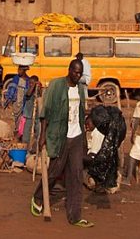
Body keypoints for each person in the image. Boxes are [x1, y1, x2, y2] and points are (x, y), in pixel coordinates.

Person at [30, 59, 92, 228]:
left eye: (80, 73)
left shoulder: (80, 88)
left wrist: (85, 131)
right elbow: (46, 111)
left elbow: (80, 111)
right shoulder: (56, 86)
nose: (78, 76)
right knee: (55, 171)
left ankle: (75, 216)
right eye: (75, 72)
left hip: (76, 136)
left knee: (77, 175)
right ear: (70, 70)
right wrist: (42, 135)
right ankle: (38, 197)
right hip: (60, 136)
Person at [84, 104, 126, 193]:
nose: (86, 127)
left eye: (88, 124)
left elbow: (94, 154)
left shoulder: (97, 133)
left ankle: (100, 183)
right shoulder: (108, 130)